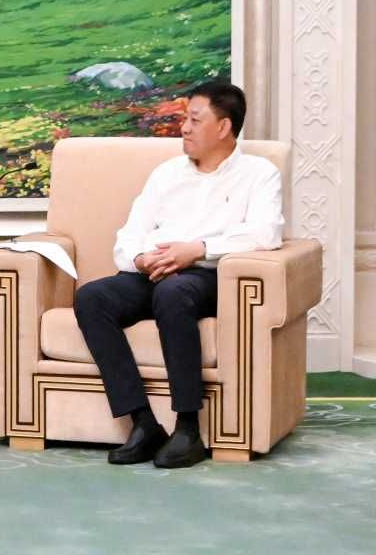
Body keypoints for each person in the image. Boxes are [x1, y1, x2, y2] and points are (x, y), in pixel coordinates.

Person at [75, 79, 283, 469]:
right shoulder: (166, 173)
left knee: (173, 293)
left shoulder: (259, 173)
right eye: (185, 119)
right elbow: (130, 233)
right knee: (92, 296)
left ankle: (187, 428)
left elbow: (265, 233)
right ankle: (143, 423)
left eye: (194, 120)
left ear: (223, 127)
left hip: (208, 274)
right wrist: (140, 259)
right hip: (153, 271)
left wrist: (198, 249)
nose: (183, 128)